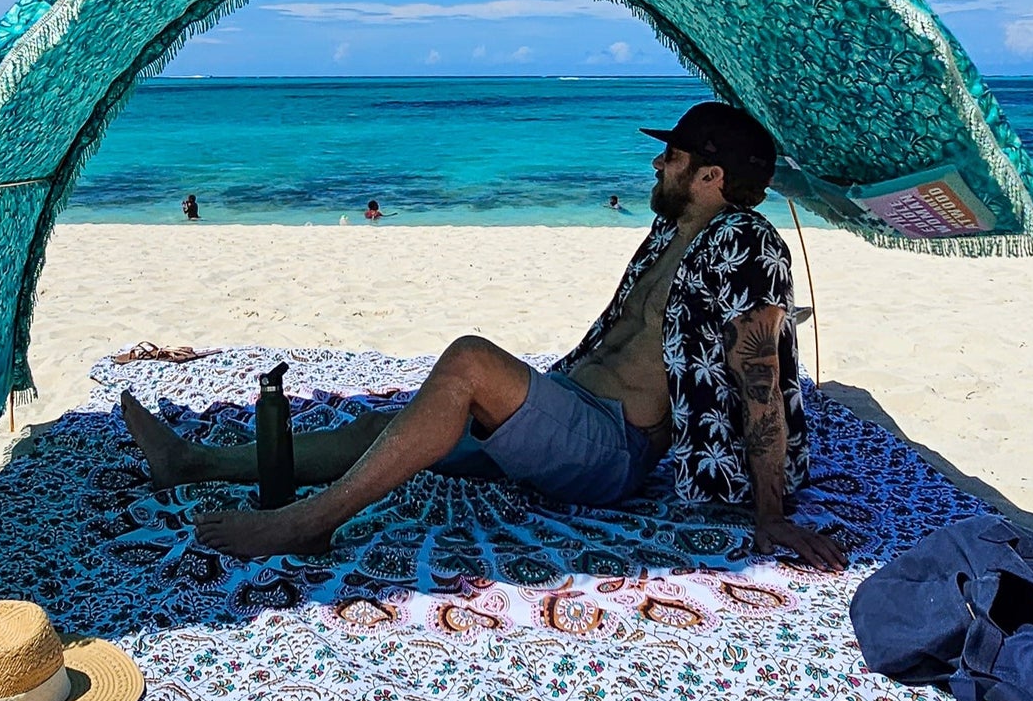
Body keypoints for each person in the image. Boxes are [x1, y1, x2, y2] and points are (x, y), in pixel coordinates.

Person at [121, 101, 846, 572]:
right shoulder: (673, 228)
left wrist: (770, 515)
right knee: (390, 427)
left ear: (712, 174)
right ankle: (190, 462)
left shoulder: (748, 247)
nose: (658, 163)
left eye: (675, 157)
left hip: (611, 448)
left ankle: (307, 524)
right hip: (570, 409)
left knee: (469, 361)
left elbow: (761, 384)